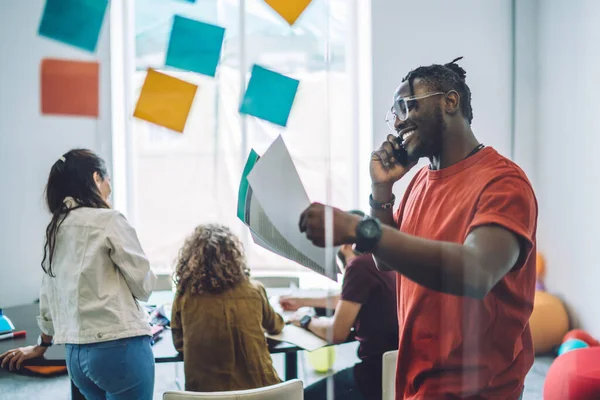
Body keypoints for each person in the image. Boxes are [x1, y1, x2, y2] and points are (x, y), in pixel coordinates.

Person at [297, 58, 537, 399]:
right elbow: (385, 262)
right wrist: (381, 191)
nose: (397, 121)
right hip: (417, 380)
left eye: (405, 106)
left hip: (479, 389)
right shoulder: (420, 181)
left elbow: (476, 272)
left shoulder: (503, 181)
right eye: (393, 112)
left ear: (450, 101)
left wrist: (358, 228)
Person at [0, 149, 157, 400]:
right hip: (120, 348)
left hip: (76, 356)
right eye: (107, 180)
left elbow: (48, 294)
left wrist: (42, 345)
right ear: (96, 178)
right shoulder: (110, 220)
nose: (110, 187)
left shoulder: (56, 227)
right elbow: (144, 287)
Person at [281, 210, 398, 400]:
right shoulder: (382, 260)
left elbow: (336, 333)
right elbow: (348, 297)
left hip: (373, 379)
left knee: (298, 397)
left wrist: (304, 319)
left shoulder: (359, 266)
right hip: (394, 373)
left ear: (345, 244)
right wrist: (302, 301)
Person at [170, 224, 284, 392]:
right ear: (234, 257)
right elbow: (275, 326)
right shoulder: (254, 290)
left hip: (205, 395)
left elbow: (179, 344)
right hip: (260, 392)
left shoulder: (184, 297)